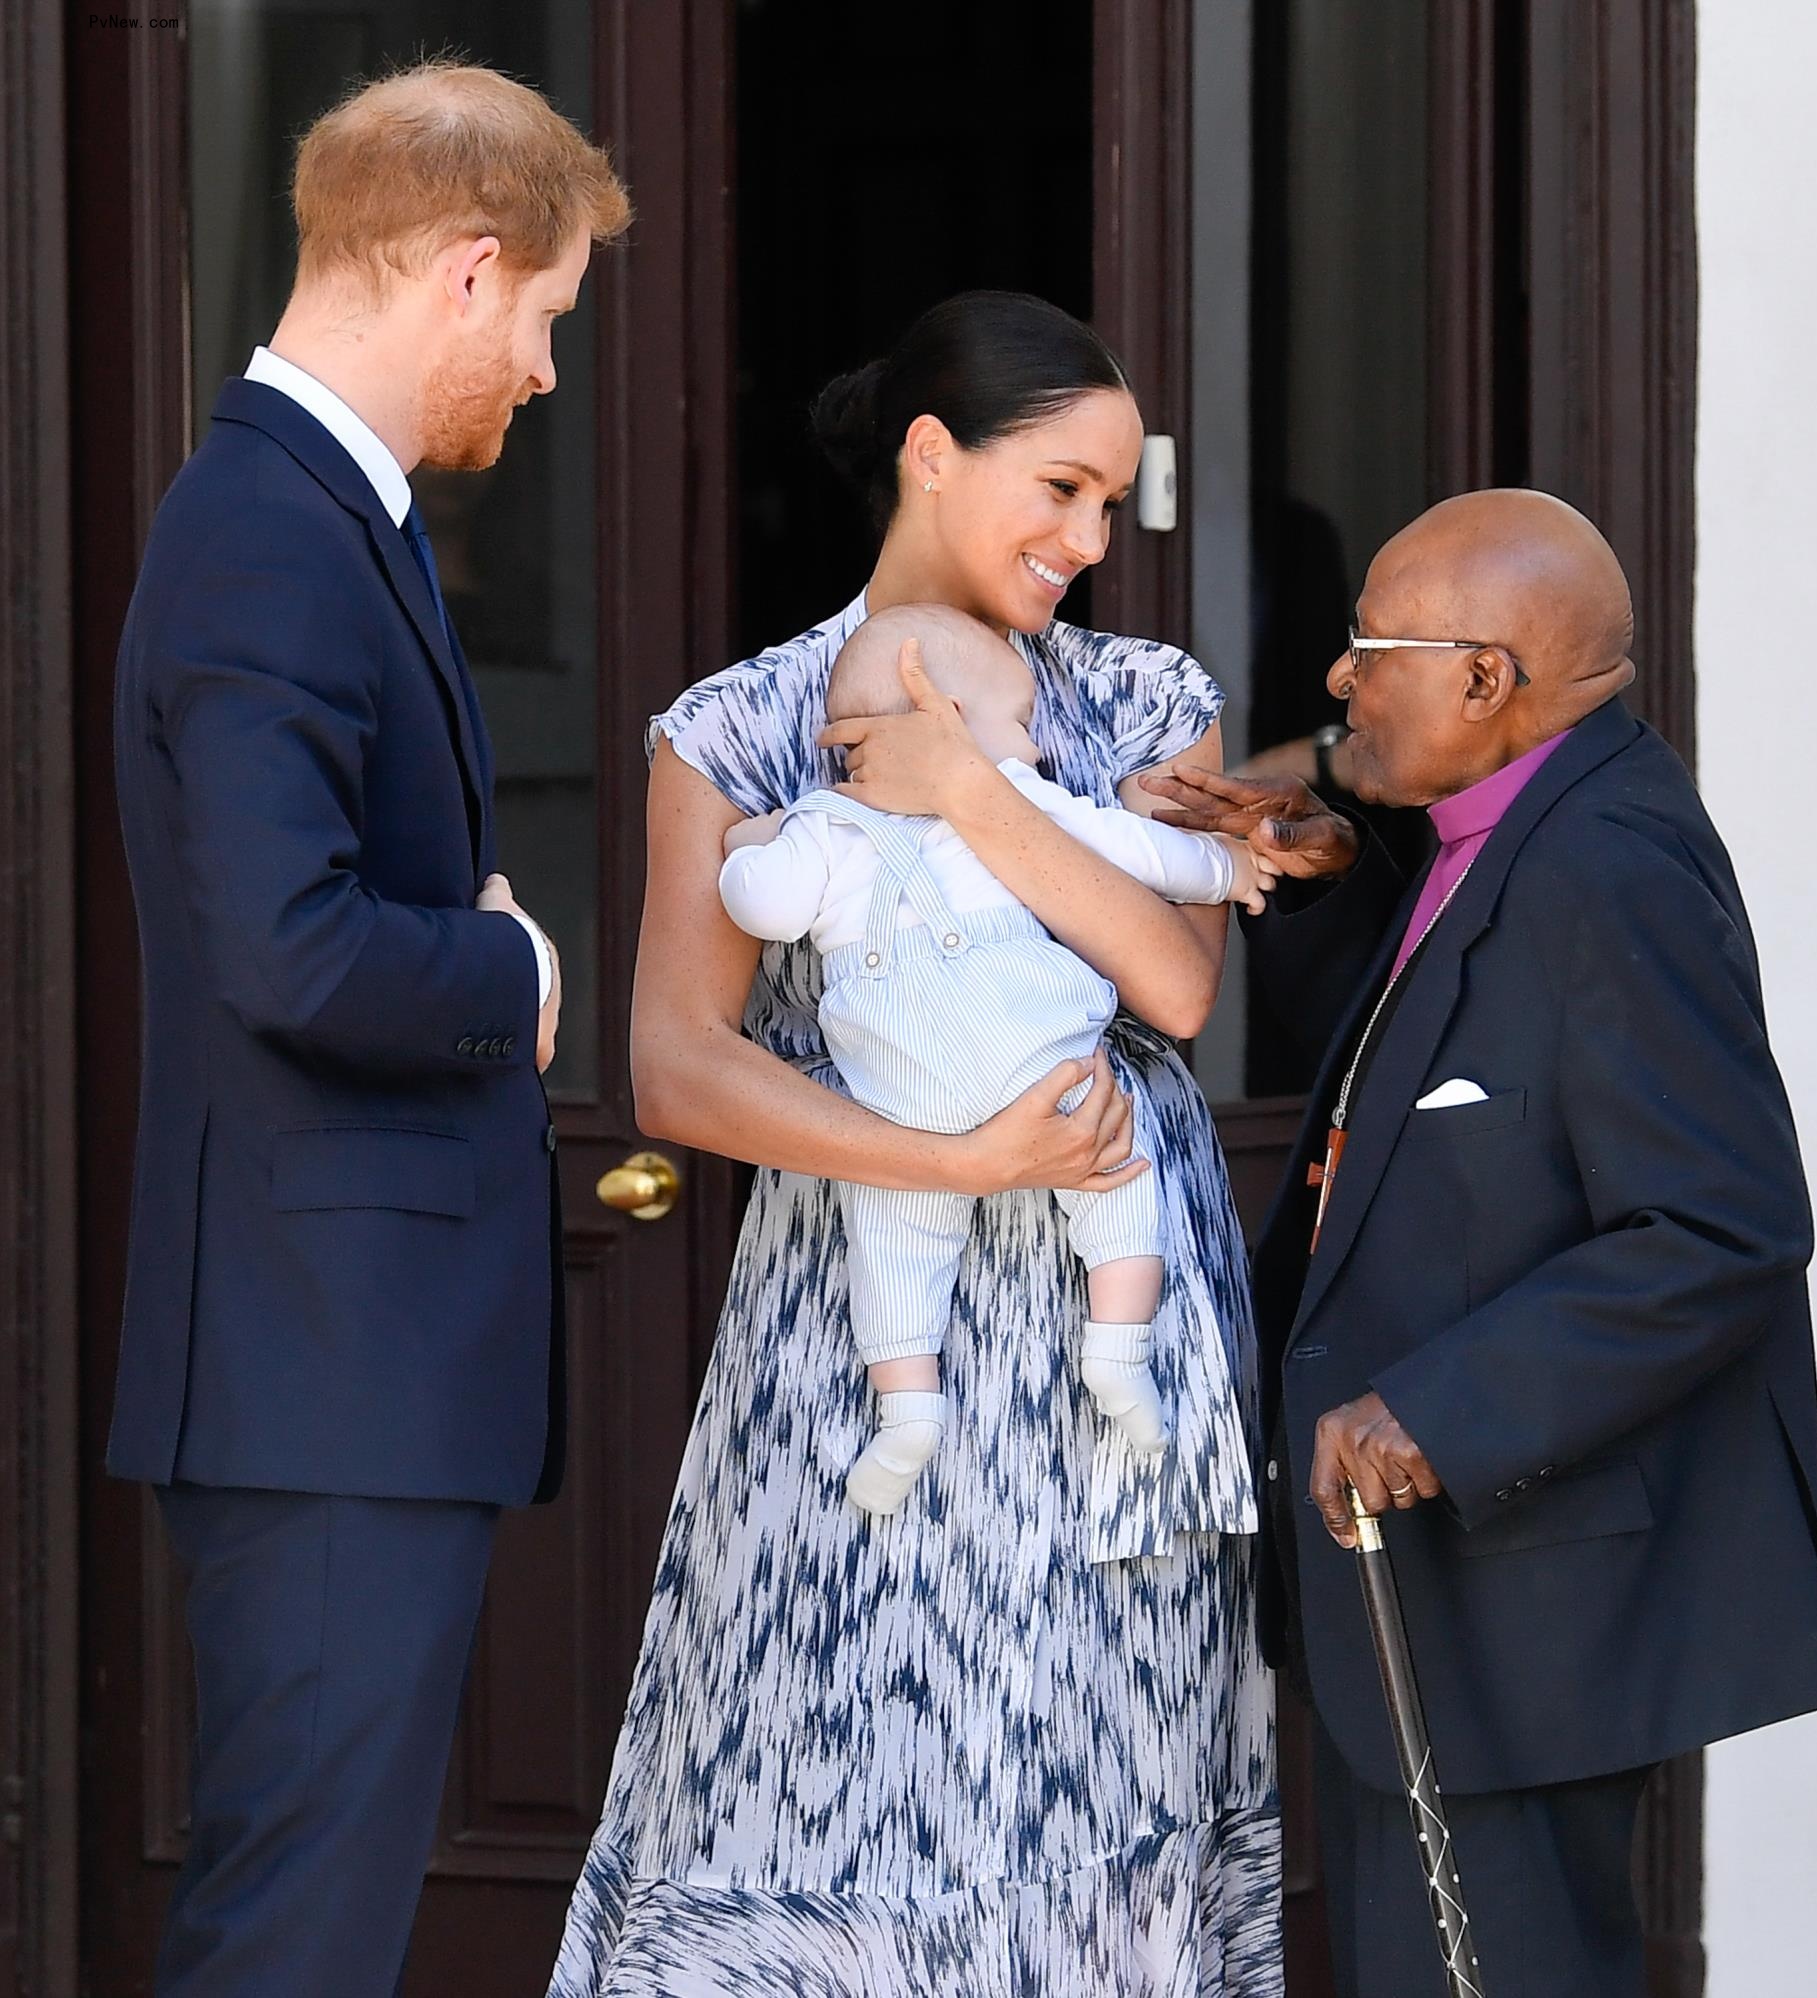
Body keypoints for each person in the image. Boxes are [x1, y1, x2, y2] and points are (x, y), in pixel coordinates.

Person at [549, 292, 1283, 1994]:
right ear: (933, 457)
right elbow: (673, 1064)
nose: (1090, 541)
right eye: (1060, 490)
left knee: (1107, 1801)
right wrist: (957, 1166)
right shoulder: (738, 726)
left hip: (1119, 1331)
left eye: (1115, 502)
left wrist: (969, 793)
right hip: (868, 1328)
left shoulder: (1141, 698)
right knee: (830, 1780)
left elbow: (1173, 983)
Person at [1145, 489, 1817, 1997]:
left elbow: (1723, 1223)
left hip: (1522, 1605)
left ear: (1485, 676)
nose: (1339, 683)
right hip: (1435, 1598)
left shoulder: (1612, 863)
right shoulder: (1496, 829)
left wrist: (1436, 1412)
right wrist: (1341, 857)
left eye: (1368, 652)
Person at [107, 64, 628, 1995]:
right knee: (294, 1938)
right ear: (471, 274)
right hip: (320, 1372)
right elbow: (294, 949)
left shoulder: (329, 514)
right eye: (554, 321)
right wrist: (518, 974)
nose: (551, 375)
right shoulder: (268, 527)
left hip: (341, 1367)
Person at [719, 601, 1278, 1512]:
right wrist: (1229, 871)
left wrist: (748, 846)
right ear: (947, 718)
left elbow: (764, 909)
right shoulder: (1026, 802)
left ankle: (907, 1419)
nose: (1042, 749)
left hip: (901, 1102)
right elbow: (1142, 852)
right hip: (1038, 1063)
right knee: (1117, 1181)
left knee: (892, 1251)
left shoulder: (821, 828)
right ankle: (1119, 1353)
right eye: (1021, 723)